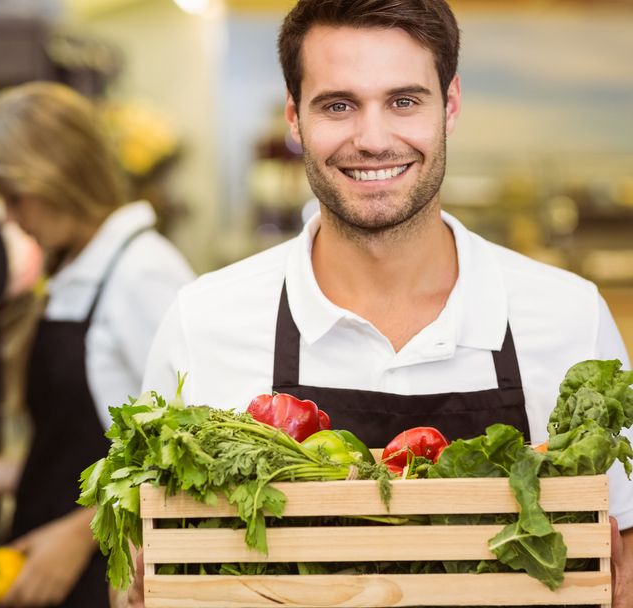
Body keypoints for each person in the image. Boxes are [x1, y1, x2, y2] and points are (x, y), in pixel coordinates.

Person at [139, 0, 633, 605]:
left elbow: (622, 567)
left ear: (449, 105)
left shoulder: (570, 320)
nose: (373, 140)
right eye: (338, 105)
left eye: (404, 101)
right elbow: (150, 572)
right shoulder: (204, 322)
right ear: (295, 119)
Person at [0, 82, 194, 607]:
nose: (9, 218)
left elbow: (193, 456)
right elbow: (64, 461)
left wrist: (77, 534)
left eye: (14, 197)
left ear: (57, 178)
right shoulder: (75, 273)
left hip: (105, 572)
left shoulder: (142, 273)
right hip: (42, 565)